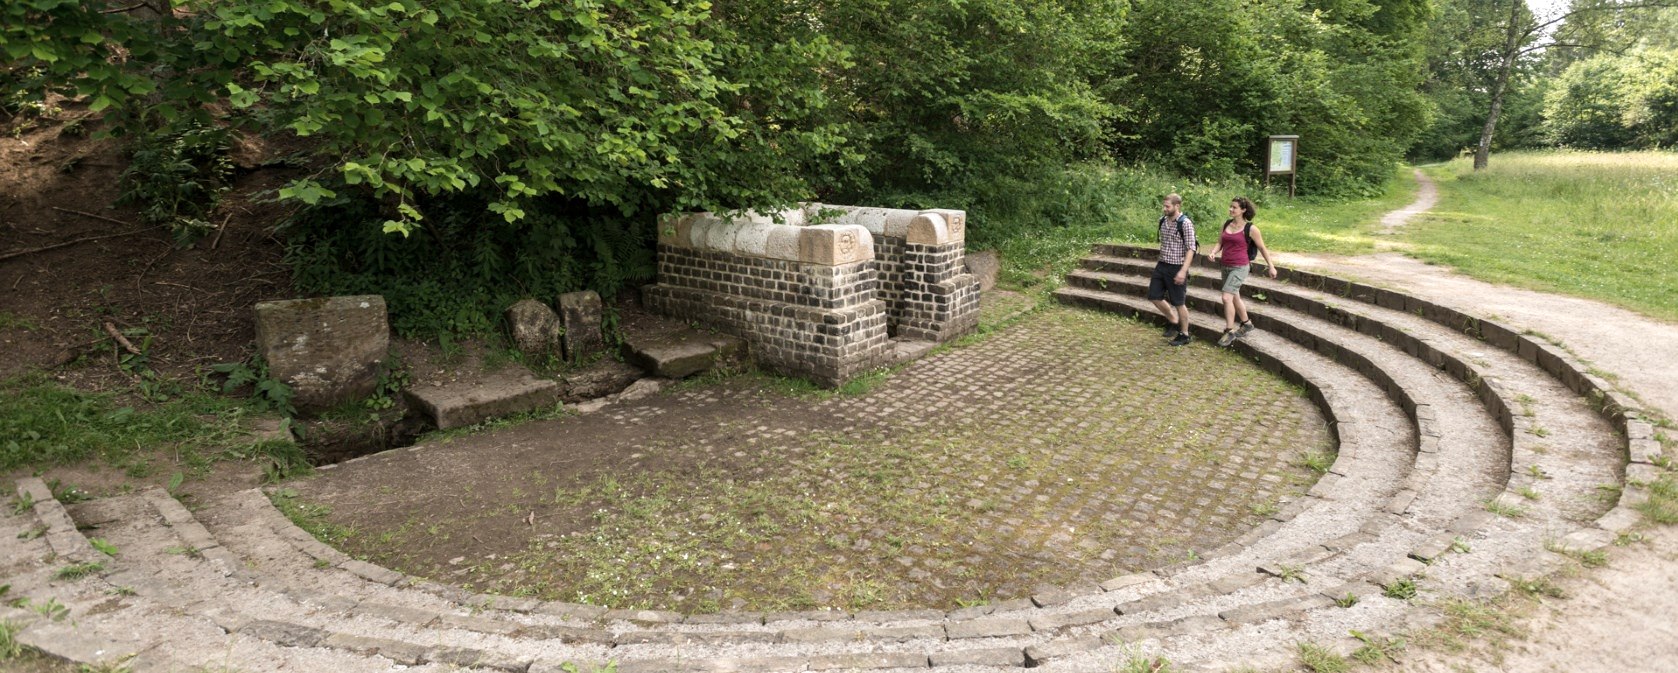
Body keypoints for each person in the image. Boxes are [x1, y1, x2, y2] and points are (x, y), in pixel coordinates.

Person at [1204, 196, 1277, 347]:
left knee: (1226, 297)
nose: (1231, 209)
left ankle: (1229, 331)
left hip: (1240, 266)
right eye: (1230, 207)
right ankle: (1247, 323)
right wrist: (1213, 252)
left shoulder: (1251, 229)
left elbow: (1262, 248)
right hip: (1225, 265)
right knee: (1234, 296)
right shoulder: (1226, 224)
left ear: (1243, 210)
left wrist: (1271, 266)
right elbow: (1220, 242)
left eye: (1234, 207)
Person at [1148, 193, 1196, 346]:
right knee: (1154, 296)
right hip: (1162, 265)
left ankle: (1185, 334)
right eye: (1164, 206)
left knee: (1179, 302)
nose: (1164, 209)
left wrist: (1183, 271)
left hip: (1177, 266)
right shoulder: (1162, 221)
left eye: (1167, 206)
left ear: (1177, 206)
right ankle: (1174, 321)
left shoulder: (1185, 223)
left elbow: (1191, 248)